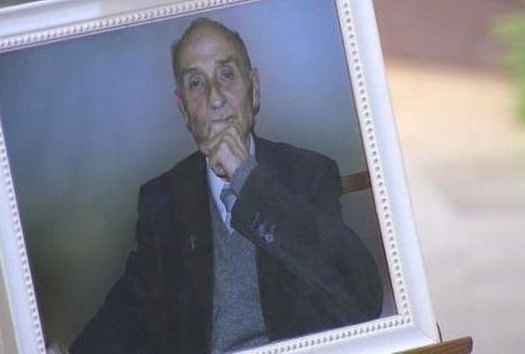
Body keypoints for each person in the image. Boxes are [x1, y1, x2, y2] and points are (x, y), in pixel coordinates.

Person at [70, 18, 382, 354]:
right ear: (183, 110)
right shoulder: (162, 199)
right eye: (195, 83)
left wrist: (249, 181)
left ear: (254, 88)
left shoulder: (309, 173)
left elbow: (361, 296)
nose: (215, 97)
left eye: (227, 75)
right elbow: (127, 311)